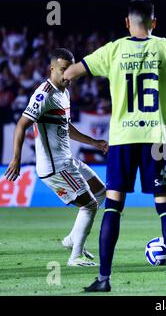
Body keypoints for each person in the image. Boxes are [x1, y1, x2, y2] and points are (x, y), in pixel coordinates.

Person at [63, 0, 166, 292]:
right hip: (156, 141)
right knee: (165, 208)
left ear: (127, 22)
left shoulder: (113, 50)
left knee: (113, 207)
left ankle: (104, 279)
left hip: (122, 140)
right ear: (154, 22)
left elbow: (70, 73)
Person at [4, 48, 108, 267]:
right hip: (55, 166)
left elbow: (66, 127)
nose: (68, 73)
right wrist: (16, 158)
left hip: (67, 159)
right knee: (89, 205)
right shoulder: (45, 94)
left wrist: (94, 143)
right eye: (63, 69)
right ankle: (75, 256)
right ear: (51, 69)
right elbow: (22, 124)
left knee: (100, 191)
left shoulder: (65, 91)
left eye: (71, 69)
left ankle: (73, 239)